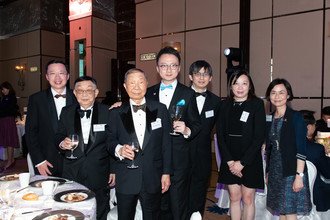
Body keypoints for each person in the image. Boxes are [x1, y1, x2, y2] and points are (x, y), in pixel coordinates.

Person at [109, 68, 172, 220]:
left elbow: (166, 144)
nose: (136, 87)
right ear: (125, 86)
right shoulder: (116, 112)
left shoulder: (160, 109)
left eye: (140, 82)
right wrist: (119, 149)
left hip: (153, 176)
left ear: (147, 84)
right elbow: (110, 140)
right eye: (132, 83)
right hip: (126, 177)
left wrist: (166, 173)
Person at [146, 46, 201, 220]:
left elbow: (197, 124)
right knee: (157, 206)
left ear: (178, 68)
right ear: (157, 68)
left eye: (173, 65)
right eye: (164, 65)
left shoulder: (188, 93)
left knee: (178, 205)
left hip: (179, 159)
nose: (168, 70)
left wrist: (186, 130)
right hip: (154, 159)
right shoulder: (148, 93)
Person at [55, 76, 115, 220]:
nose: (84, 94)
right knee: (72, 209)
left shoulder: (108, 111)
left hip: (99, 171)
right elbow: (58, 135)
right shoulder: (66, 111)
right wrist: (62, 143)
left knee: (100, 208)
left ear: (96, 92)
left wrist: (113, 170)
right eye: (80, 91)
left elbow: (113, 141)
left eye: (89, 90)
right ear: (74, 93)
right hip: (72, 170)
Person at [216, 70, 265, 220]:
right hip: (229, 158)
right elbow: (221, 136)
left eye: (244, 83)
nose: (240, 87)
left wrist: (242, 163)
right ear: (231, 87)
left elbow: (259, 137)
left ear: (250, 86)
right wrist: (231, 162)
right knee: (234, 197)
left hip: (249, 159)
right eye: (236, 83)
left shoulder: (256, 104)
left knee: (248, 199)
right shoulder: (224, 105)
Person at [265, 78, 312, 219]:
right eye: (273, 93)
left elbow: (301, 149)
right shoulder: (270, 117)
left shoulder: (295, 117)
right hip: (275, 170)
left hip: (291, 170)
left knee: (290, 211)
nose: (277, 96)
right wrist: (268, 171)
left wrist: (299, 176)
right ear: (269, 96)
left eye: (281, 92)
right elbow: (270, 148)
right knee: (281, 209)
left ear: (288, 95)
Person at [25, 60, 77, 177]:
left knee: (73, 194)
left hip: (74, 162)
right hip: (46, 162)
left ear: (68, 76)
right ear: (47, 77)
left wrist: (115, 106)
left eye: (61, 73)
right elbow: (30, 133)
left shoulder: (78, 97)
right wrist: (39, 160)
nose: (57, 77)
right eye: (52, 73)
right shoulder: (36, 99)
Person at [187, 60, 221, 217]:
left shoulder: (216, 101)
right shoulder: (181, 95)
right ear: (190, 77)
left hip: (204, 155)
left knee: (200, 193)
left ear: (211, 78)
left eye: (205, 74)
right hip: (182, 153)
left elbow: (222, 128)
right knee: (180, 193)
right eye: (197, 74)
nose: (201, 77)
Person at [300, 110, 330, 212]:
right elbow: (328, 173)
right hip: (314, 193)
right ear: (309, 127)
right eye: (314, 125)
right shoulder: (316, 149)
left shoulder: (283, 145)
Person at [0, 81, 19, 172]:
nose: (2, 91)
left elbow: (8, 110)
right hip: (4, 121)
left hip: (8, 120)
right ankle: (10, 160)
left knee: (9, 141)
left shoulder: (11, 98)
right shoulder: (5, 98)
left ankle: (10, 160)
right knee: (7, 141)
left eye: (3, 89)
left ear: (8, 88)